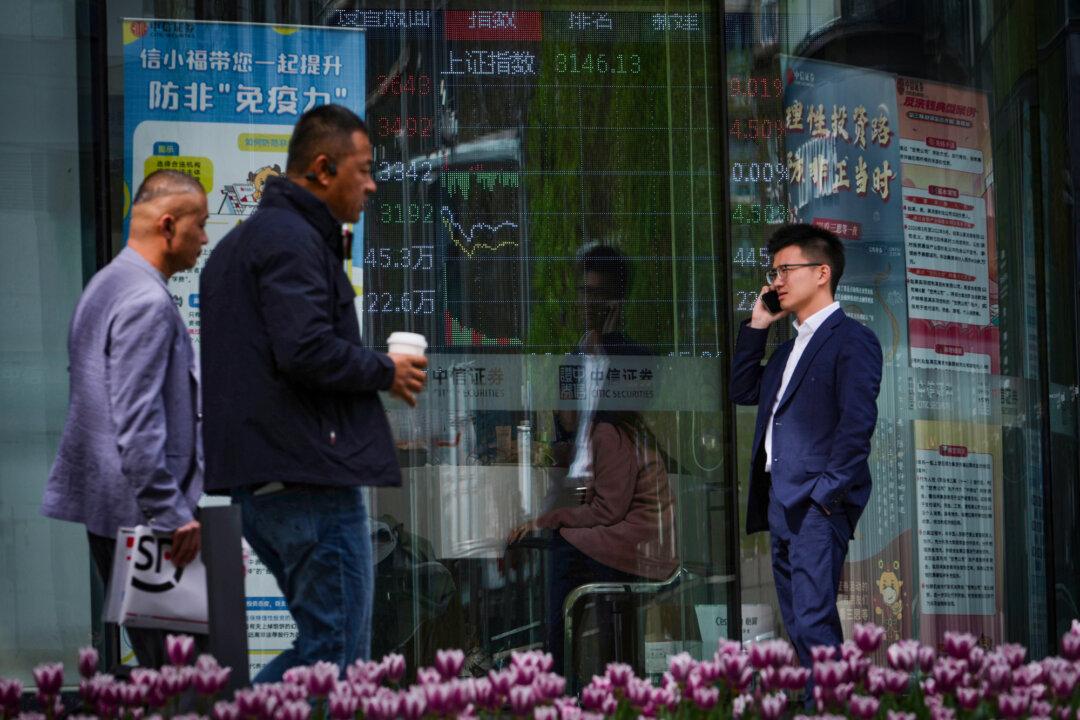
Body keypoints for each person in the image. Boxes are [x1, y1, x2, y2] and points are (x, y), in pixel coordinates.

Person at [199, 104, 427, 682]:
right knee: (336, 661)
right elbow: (304, 350)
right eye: (365, 168)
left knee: (329, 650)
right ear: (324, 169)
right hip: (308, 483)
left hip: (269, 482)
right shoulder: (292, 241)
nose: (374, 184)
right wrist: (386, 370)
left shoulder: (241, 246)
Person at [41, 169, 208, 668]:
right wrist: (173, 514)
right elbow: (135, 427)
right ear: (167, 225)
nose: (204, 237)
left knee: (167, 668)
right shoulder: (147, 301)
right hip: (149, 522)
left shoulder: (106, 285)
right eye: (198, 225)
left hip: (117, 513)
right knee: (185, 677)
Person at [729, 223, 882, 675]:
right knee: (798, 622)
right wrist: (758, 325)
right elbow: (741, 389)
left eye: (785, 270)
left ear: (821, 272)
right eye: (773, 271)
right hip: (782, 502)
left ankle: (832, 707)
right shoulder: (785, 352)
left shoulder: (852, 339)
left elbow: (857, 426)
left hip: (817, 502)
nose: (775, 281)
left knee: (814, 622)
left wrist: (826, 495)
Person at [508, 410, 677, 679]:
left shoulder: (606, 433)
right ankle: (583, 668)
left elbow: (607, 511)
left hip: (636, 546)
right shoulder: (620, 430)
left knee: (563, 546)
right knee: (565, 541)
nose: (559, 413)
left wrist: (546, 520)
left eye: (563, 405)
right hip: (641, 542)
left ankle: (556, 670)